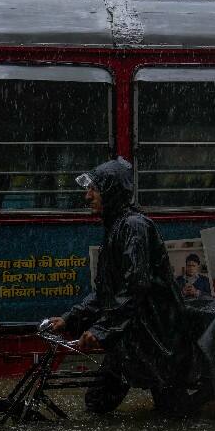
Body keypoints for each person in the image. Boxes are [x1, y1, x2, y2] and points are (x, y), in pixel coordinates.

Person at [47, 157, 191, 417]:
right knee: (97, 402)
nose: (87, 196)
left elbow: (135, 286)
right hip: (130, 335)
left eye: (94, 189)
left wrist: (102, 329)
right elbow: (106, 291)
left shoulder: (133, 227)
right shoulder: (116, 227)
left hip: (155, 337)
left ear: (110, 191)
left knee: (173, 416)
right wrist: (70, 319)